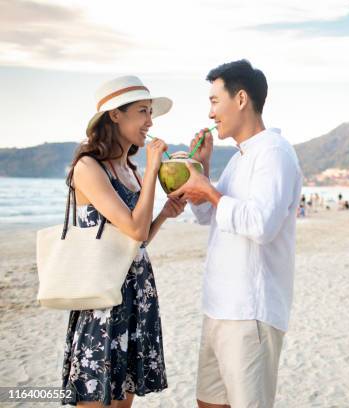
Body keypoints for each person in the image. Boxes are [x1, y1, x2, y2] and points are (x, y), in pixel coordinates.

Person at [168, 60, 302, 408]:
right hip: (218, 307)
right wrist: (203, 172)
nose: (211, 113)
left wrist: (210, 191)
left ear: (241, 99)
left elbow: (261, 225)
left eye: (215, 101)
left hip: (250, 310)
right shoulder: (240, 158)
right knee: (209, 402)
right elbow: (207, 216)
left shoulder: (273, 153)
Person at [60, 76, 186, 407]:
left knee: (123, 402)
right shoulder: (89, 167)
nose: (150, 121)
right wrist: (151, 171)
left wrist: (163, 215)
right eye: (143, 111)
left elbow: (135, 242)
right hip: (103, 297)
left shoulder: (127, 169)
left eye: (150, 113)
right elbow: (134, 229)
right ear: (115, 115)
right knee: (97, 396)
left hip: (135, 293)